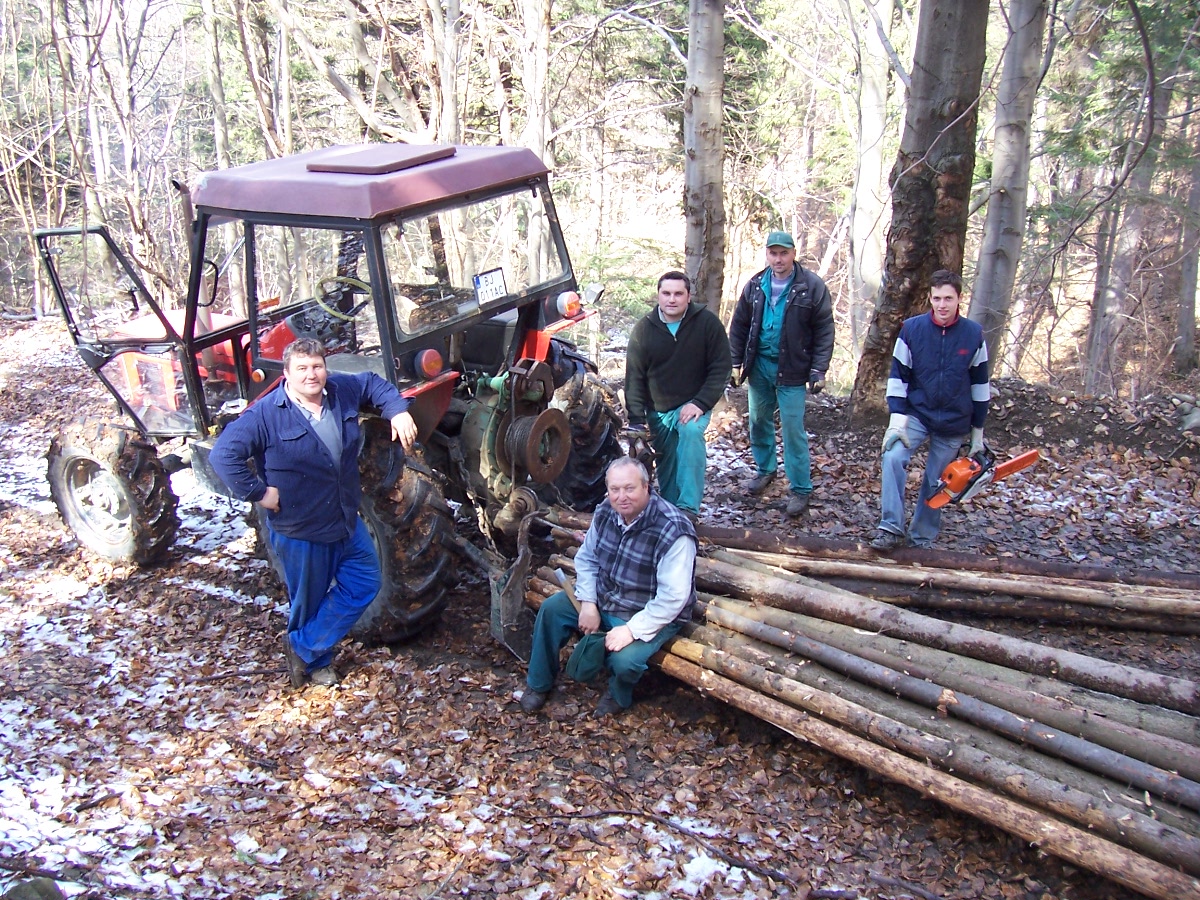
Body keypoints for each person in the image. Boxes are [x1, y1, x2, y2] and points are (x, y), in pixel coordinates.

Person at [210, 337, 418, 687]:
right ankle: (318, 662)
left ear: (326, 368)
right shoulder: (266, 415)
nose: (312, 375)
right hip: (301, 529)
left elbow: (372, 382)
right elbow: (222, 456)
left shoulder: (340, 392)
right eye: (302, 369)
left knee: (366, 583)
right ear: (287, 374)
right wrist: (259, 492)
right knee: (308, 600)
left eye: (317, 366)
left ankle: (302, 647)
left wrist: (396, 409)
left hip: (345, 519)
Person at [520, 456, 698, 718]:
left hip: (647, 612)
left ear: (646, 487)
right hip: (606, 598)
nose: (621, 497)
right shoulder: (605, 511)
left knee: (625, 661)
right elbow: (587, 558)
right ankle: (538, 684)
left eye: (630, 488)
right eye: (615, 489)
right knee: (551, 611)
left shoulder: (673, 530)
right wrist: (589, 603)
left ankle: (618, 695)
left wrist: (631, 630)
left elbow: (673, 598)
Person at [871, 270, 990, 550]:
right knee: (892, 456)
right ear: (929, 298)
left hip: (954, 420)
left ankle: (921, 538)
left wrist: (977, 434)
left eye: (948, 298)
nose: (942, 304)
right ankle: (890, 527)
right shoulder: (912, 330)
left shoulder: (973, 335)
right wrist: (896, 422)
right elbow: (898, 378)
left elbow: (980, 386)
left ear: (959, 298)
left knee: (939, 482)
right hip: (917, 413)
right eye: (937, 298)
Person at [728, 231, 835, 518]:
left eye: (783, 253)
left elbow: (824, 329)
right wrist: (735, 362)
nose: (778, 259)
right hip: (759, 364)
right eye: (773, 253)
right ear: (767, 254)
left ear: (793, 254)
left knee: (792, 428)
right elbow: (739, 325)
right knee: (759, 421)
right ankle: (766, 470)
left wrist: (818, 369)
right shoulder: (755, 285)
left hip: (792, 367)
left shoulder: (811, 286)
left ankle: (800, 488)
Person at [624, 271, 731, 520]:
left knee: (691, 434)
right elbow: (634, 378)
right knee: (667, 461)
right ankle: (672, 513)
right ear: (659, 295)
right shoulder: (644, 329)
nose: (672, 299)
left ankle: (688, 508)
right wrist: (636, 420)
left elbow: (721, 366)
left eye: (678, 294)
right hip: (658, 408)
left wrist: (700, 402)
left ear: (688, 296)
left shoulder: (706, 323)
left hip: (693, 403)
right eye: (666, 293)